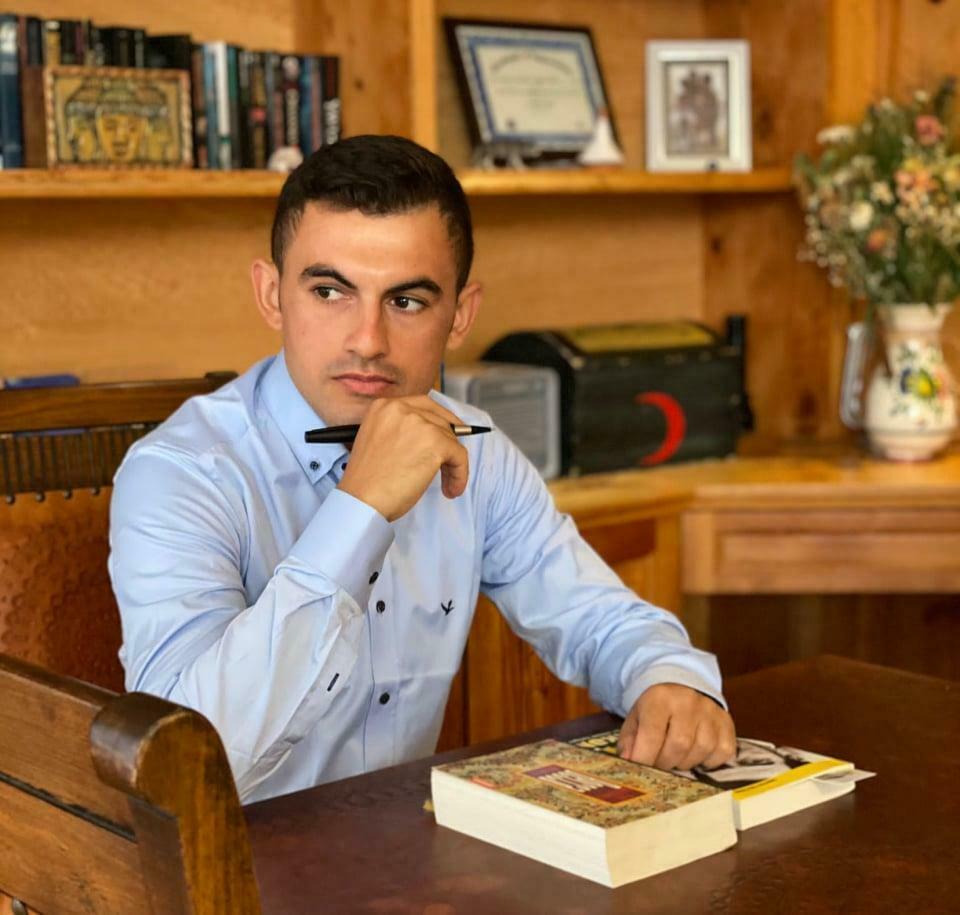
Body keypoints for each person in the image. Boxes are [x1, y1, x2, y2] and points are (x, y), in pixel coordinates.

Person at [109, 135, 736, 803]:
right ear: (272, 295)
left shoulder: (477, 449)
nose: (368, 341)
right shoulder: (179, 473)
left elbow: (596, 616)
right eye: (330, 291)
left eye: (406, 301)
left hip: (413, 844)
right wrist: (360, 510)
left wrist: (667, 678)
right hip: (229, 858)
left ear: (459, 316)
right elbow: (183, 764)